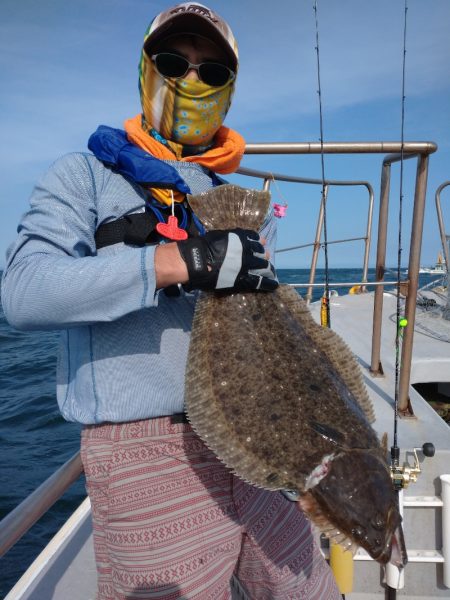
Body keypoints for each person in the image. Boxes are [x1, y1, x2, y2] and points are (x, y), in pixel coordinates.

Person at [2, 3, 340, 599]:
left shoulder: (235, 196)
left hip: (261, 438)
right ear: (145, 70)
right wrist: (177, 262)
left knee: (307, 590)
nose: (191, 81)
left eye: (211, 73)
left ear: (228, 93)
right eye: (172, 62)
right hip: (146, 454)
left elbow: (266, 327)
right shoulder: (83, 175)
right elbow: (24, 293)